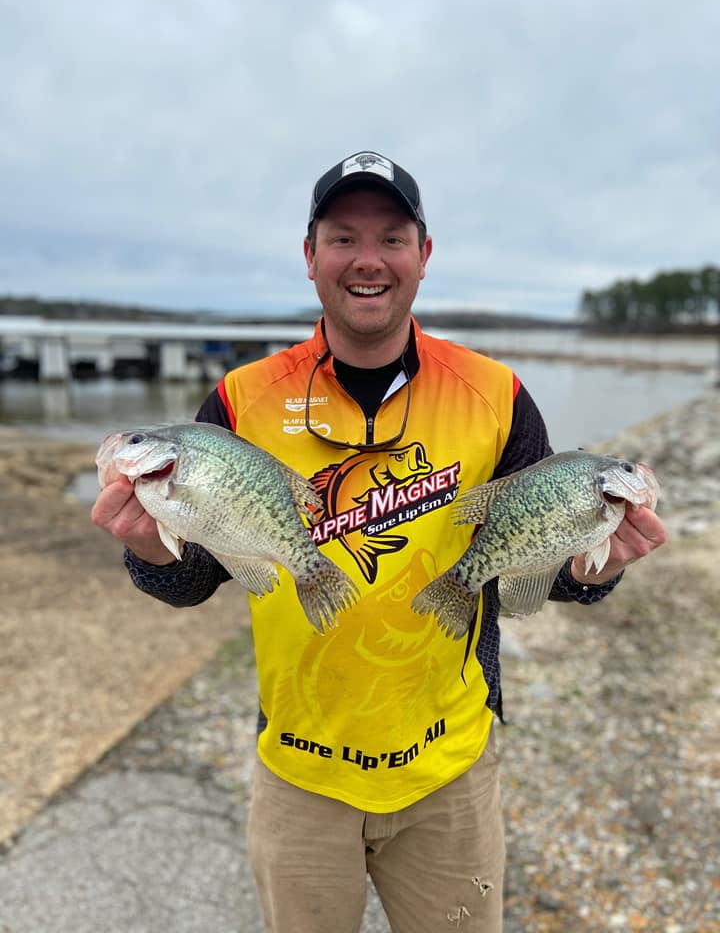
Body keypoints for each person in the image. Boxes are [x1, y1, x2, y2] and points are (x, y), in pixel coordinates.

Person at [91, 150, 667, 932]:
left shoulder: (496, 396)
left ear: (424, 256)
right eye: (343, 238)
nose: (368, 260)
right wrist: (150, 548)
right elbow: (197, 575)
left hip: (449, 770)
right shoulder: (239, 399)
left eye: (392, 238)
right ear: (310, 255)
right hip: (299, 772)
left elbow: (536, 559)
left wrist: (599, 565)